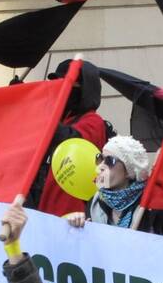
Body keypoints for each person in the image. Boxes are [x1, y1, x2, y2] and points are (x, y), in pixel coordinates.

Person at [33, 58, 110, 217]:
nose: (60, 89)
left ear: (84, 89)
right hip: (42, 211)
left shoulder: (93, 122)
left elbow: (71, 140)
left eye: (67, 83)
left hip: (71, 217)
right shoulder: (61, 120)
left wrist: (39, 112)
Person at [66, 135, 163, 236]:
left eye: (110, 161)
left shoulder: (158, 210)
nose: (101, 166)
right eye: (100, 158)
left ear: (128, 171)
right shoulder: (95, 204)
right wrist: (77, 226)